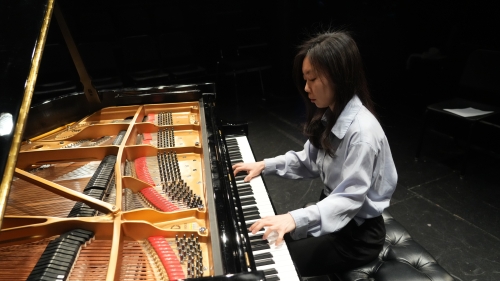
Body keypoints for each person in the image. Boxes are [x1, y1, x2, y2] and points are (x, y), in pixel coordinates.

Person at [232, 30, 398, 277]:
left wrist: (294, 218)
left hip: (356, 237)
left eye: (312, 79)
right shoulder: (332, 114)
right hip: (334, 214)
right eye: (305, 80)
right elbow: (308, 161)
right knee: (260, 244)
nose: (306, 88)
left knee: (267, 264)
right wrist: (264, 165)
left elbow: (349, 200)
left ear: (338, 77)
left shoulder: (362, 133)